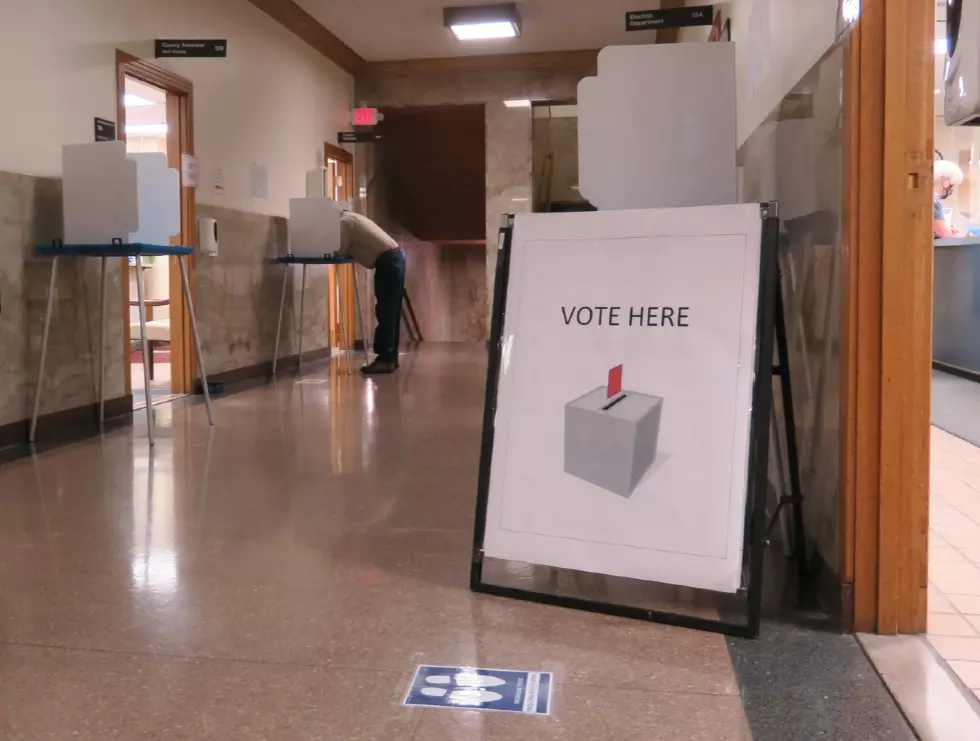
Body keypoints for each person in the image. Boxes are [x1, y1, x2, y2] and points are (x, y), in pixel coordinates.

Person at [337, 209, 406, 374]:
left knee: (385, 312)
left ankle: (384, 359)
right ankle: (390, 357)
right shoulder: (352, 217)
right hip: (394, 259)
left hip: (388, 261)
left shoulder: (344, 222)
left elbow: (339, 249)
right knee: (390, 312)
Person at [934, 160, 964, 239]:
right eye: (952, 185)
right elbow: (944, 235)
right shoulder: (933, 201)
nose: (952, 190)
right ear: (944, 180)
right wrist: (966, 236)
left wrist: (948, 229)